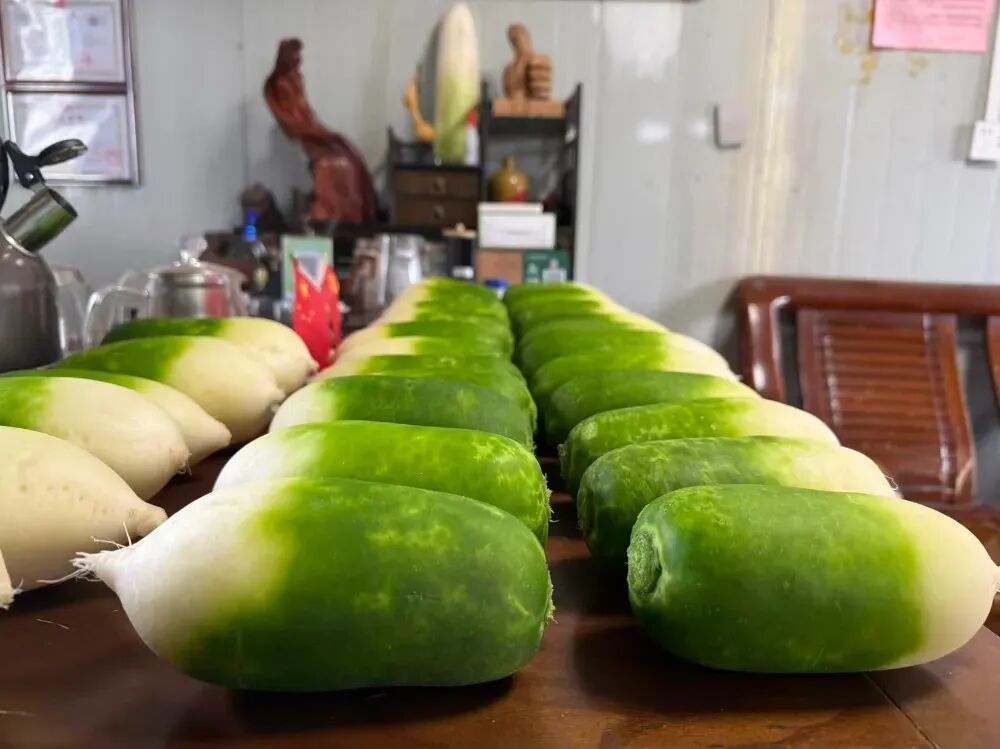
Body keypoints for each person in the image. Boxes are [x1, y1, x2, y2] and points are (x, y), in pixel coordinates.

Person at [264, 38, 377, 224]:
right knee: (341, 164)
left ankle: (355, 214)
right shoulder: (282, 84)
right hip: (308, 136)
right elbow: (297, 121)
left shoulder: (296, 79)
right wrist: (320, 132)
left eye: (299, 55)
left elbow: (307, 112)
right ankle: (336, 214)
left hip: (313, 129)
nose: (299, 59)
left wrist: (323, 130)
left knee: (351, 154)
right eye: (295, 55)